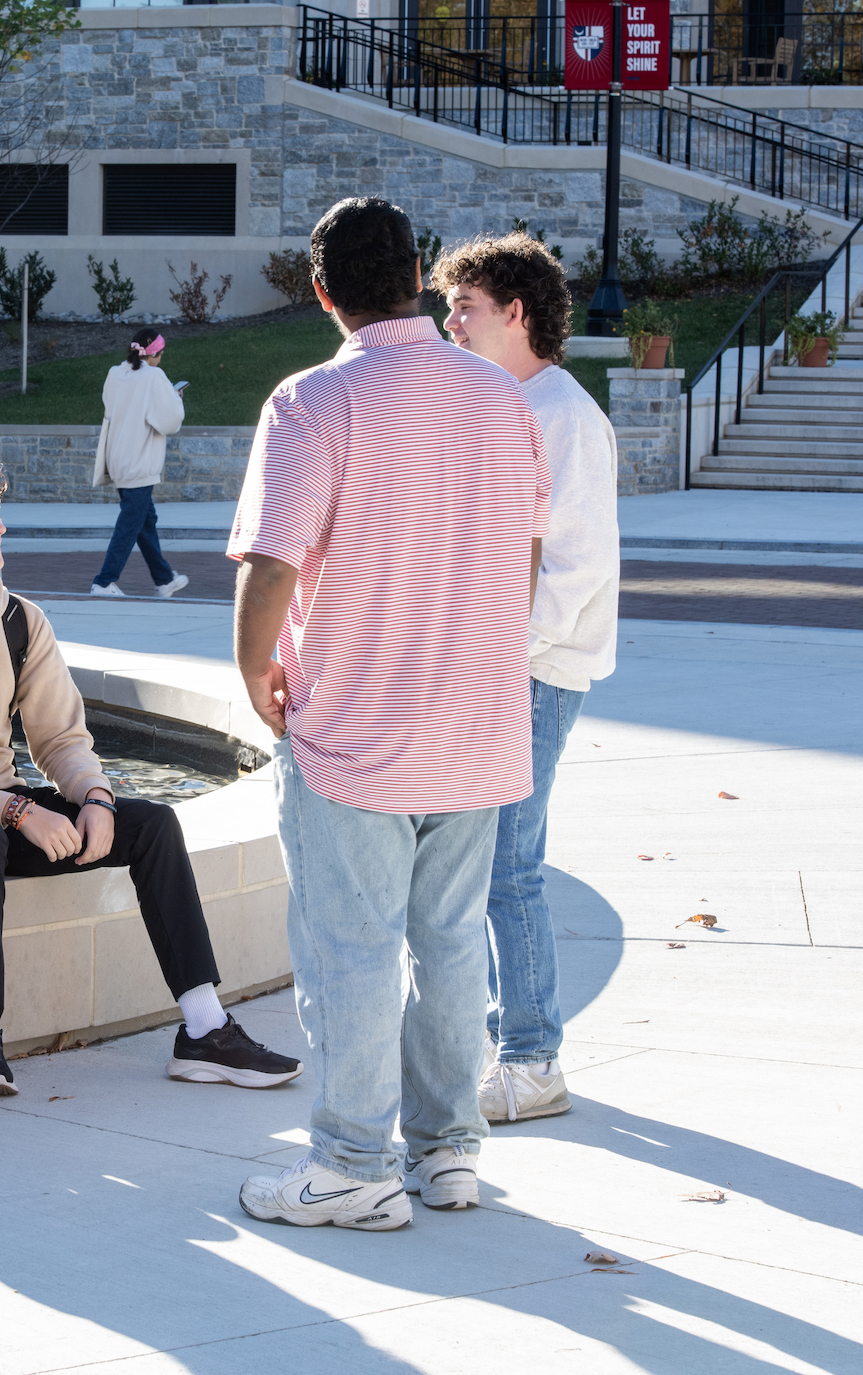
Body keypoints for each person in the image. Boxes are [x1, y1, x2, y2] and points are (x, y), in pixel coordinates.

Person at [229, 198, 548, 1230]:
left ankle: (352, 1161)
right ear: (417, 273)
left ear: (321, 293)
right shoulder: (504, 399)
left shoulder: (313, 400)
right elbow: (529, 556)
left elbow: (274, 560)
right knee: (452, 942)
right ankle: (448, 1152)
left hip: (359, 727)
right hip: (481, 723)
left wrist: (252, 668)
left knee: (353, 947)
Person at [0, 446, 303, 1097]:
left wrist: (93, 796)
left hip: (0, 807)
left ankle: (204, 1029)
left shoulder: (20, 621)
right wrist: (15, 811)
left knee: (149, 824)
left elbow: (59, 735)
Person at [434, 233, 620, 1125]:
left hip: (534, 671)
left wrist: (494, 654)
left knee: (509, 865)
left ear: (516, 312)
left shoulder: (564, 417)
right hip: (494, 669)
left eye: (465, 306)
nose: (448, 321)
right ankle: (489, 1041)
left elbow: (572, 571)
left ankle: (532, 1055)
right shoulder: (505, 406)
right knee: (474, 868)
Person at [90, 328, 190, 599]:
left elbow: (112, 407)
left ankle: (164, 579)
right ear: (155, 353)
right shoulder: (154, 377)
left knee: (144, 521)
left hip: (118, 458)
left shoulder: (115, 374)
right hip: (141, 462)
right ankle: (104, 581)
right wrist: (174, 397)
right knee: (130, 524)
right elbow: (169, 422)